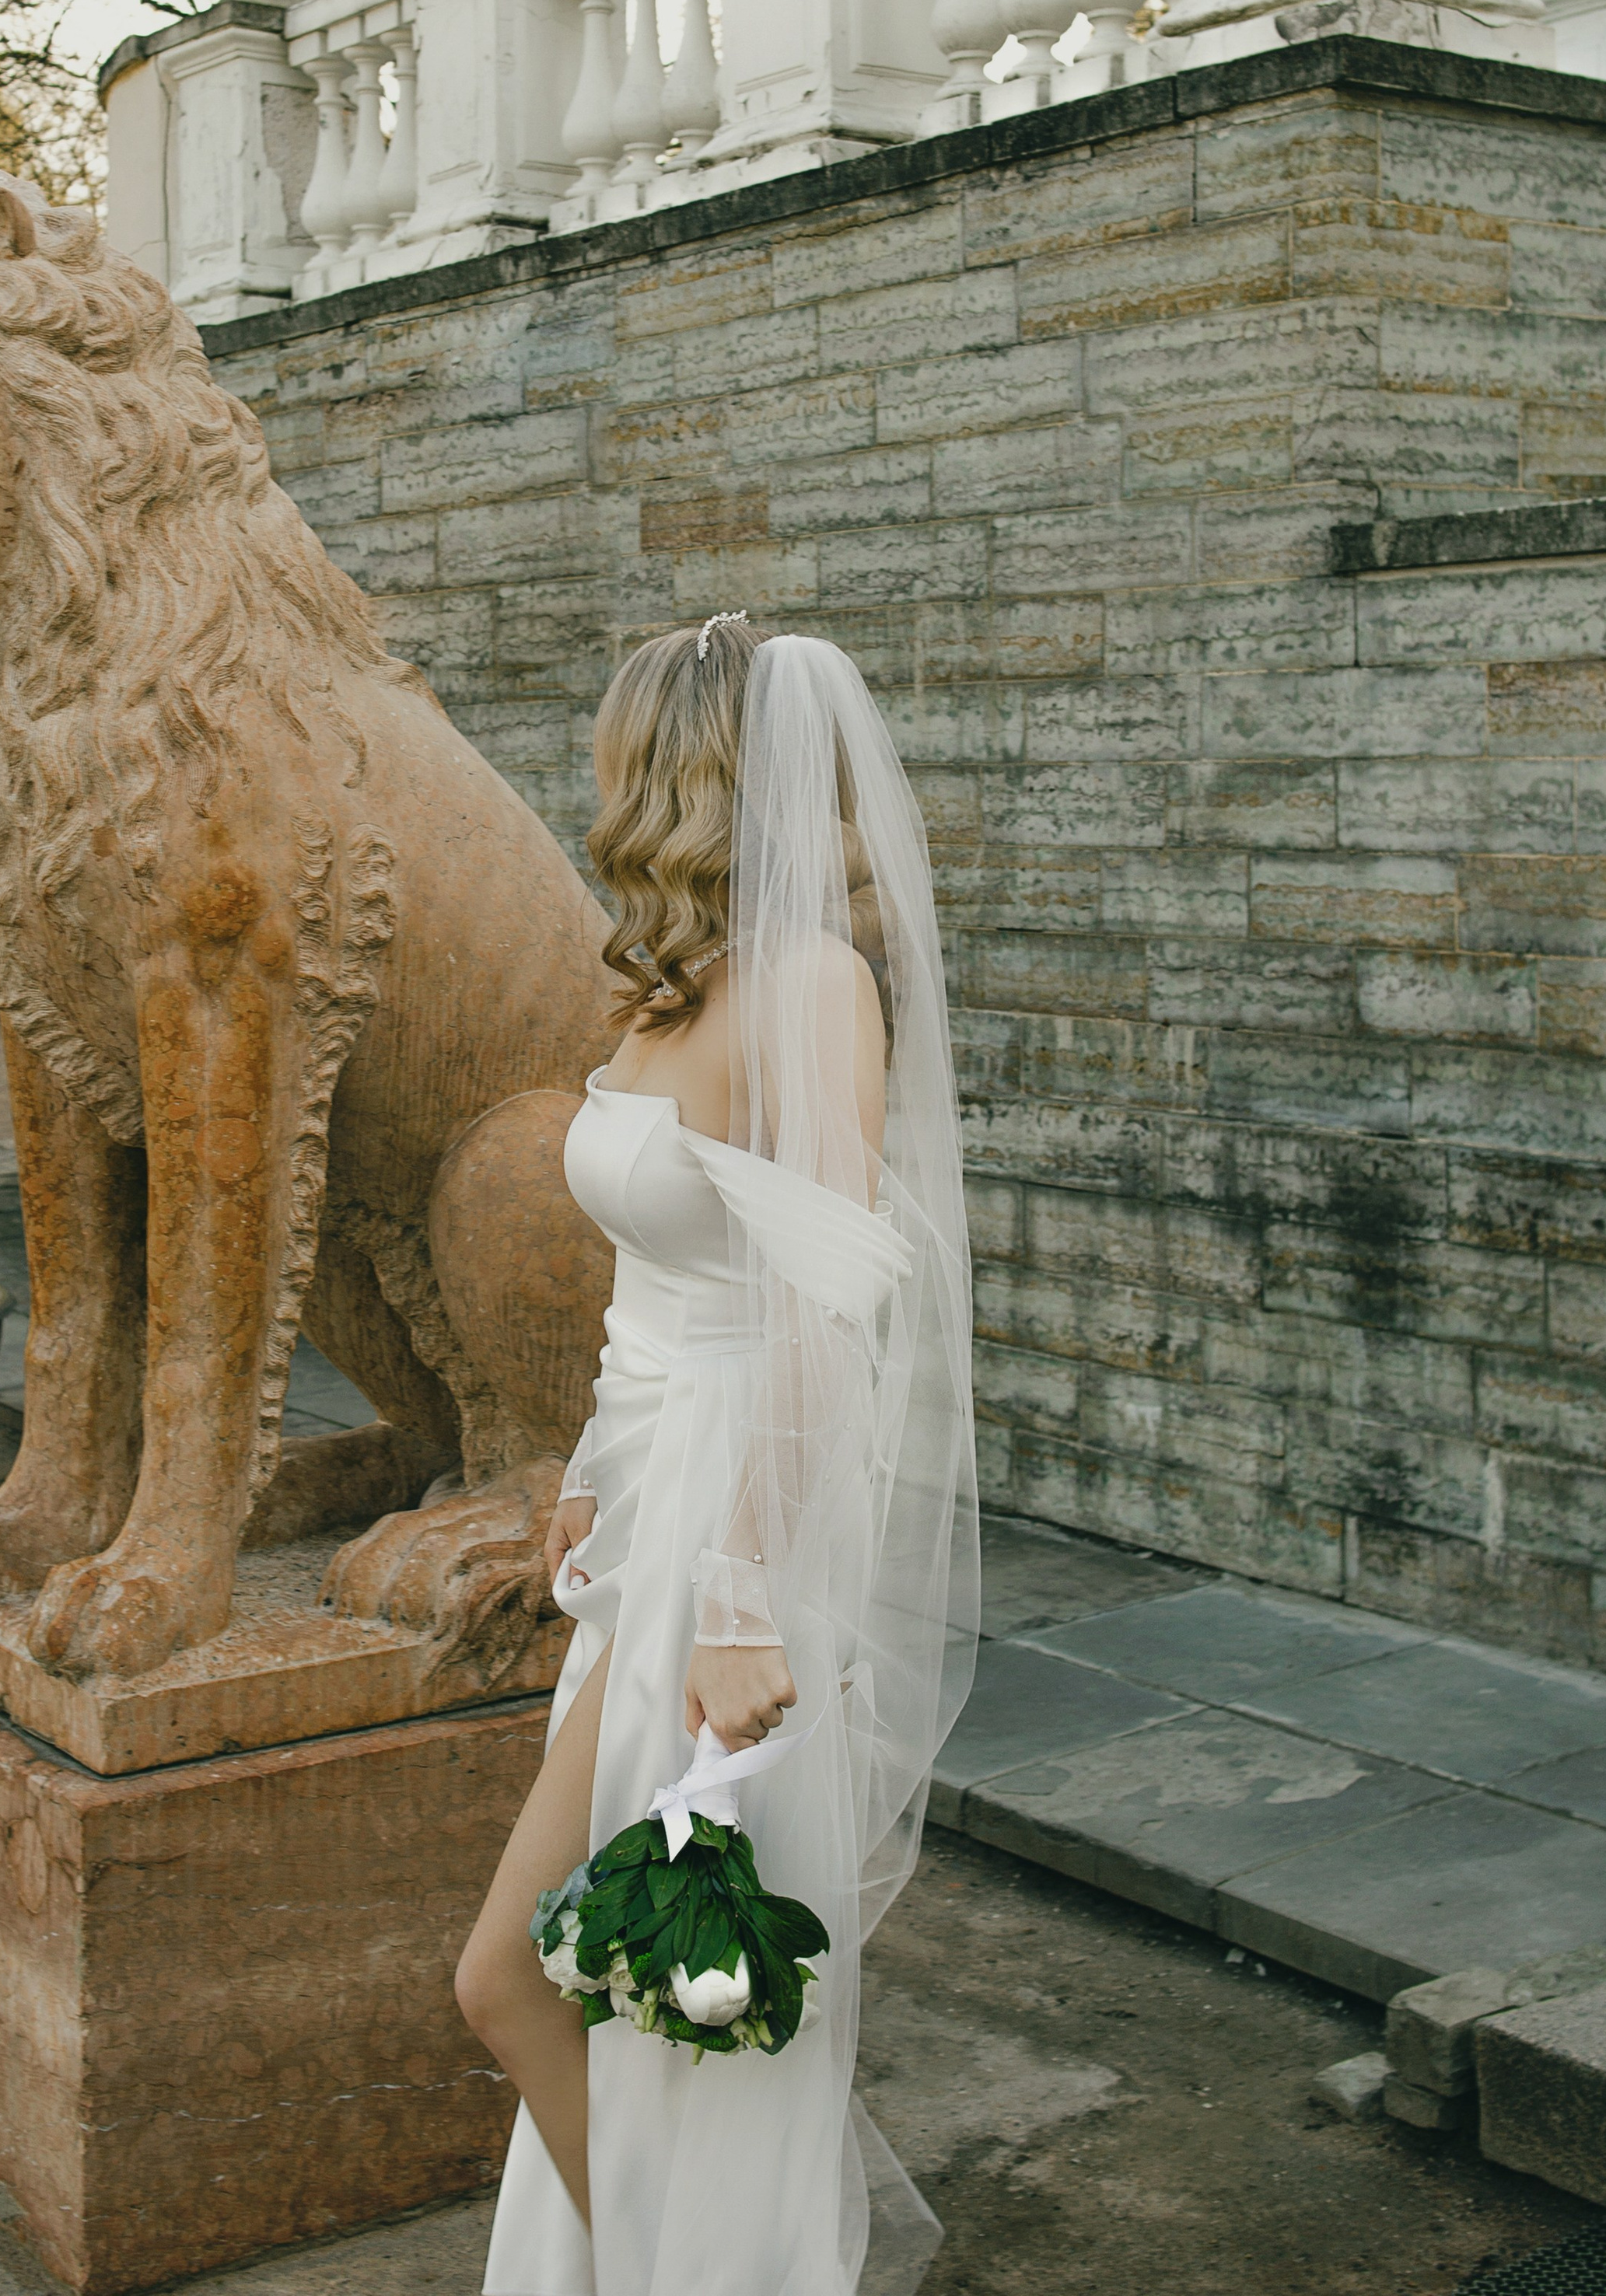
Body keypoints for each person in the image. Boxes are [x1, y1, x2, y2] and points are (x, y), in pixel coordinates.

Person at [457, 615, 979, 2296]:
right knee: (608, 1997)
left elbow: (820, 1319)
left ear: (676, 770)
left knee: (534, 1983)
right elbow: (659, 1288)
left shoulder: (817, 987)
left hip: (731, 1538)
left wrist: (744, 1600)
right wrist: (589, 1479)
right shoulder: (683, 976)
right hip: (650, 1518)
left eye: (620, 755)